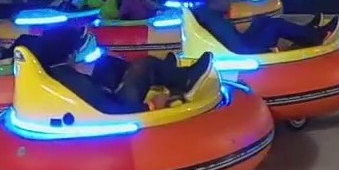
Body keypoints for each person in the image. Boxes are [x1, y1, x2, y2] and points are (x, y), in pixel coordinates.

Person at [42, 28, 213, 114]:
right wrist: (151, 106)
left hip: (110, 98)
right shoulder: (73, 79)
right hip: (121, 110)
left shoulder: (59, 70)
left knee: (107, 63)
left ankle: (169, 72)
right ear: (70, 54)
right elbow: (111, 108)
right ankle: (185, 80)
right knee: (143, 66)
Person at [194, 0, 336, 54]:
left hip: (243, 40)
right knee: (275, 26)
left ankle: (305, 33)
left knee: (262, 20)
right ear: (216, 0)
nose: (229, 3)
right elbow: (237, 47)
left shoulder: (209, 13)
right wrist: (263, 51)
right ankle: (316, 36)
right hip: (247, 48)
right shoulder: (216, 21)